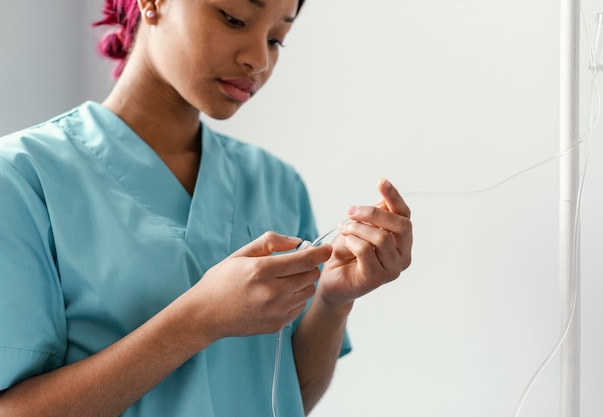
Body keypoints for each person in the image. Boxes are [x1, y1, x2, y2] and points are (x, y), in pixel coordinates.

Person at [0, 0, 413, 416]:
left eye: (276, 39)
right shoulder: (22, 178)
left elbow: (283, 397)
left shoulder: (277, 184)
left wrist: (334, 300)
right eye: (234, 19)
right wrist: (199, 319)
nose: (258, 59)